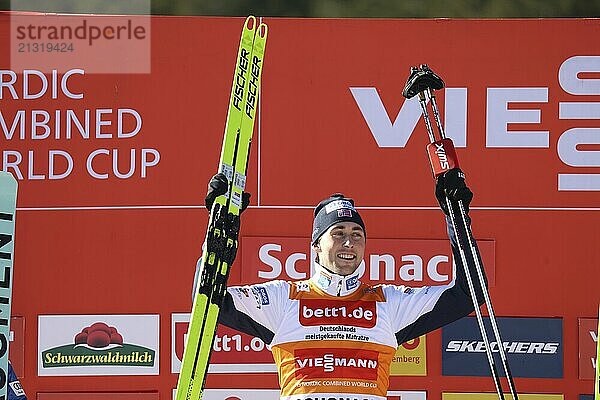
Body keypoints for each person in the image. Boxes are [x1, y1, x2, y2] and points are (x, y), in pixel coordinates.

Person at [197, 168, 485, 400]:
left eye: (357, 234)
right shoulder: (284, 299)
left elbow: (469, 293)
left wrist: (457, 218)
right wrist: (218, 222)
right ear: (316, 246)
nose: (349, 242)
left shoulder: (388, 303)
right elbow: (208, 300)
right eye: (338, 232)